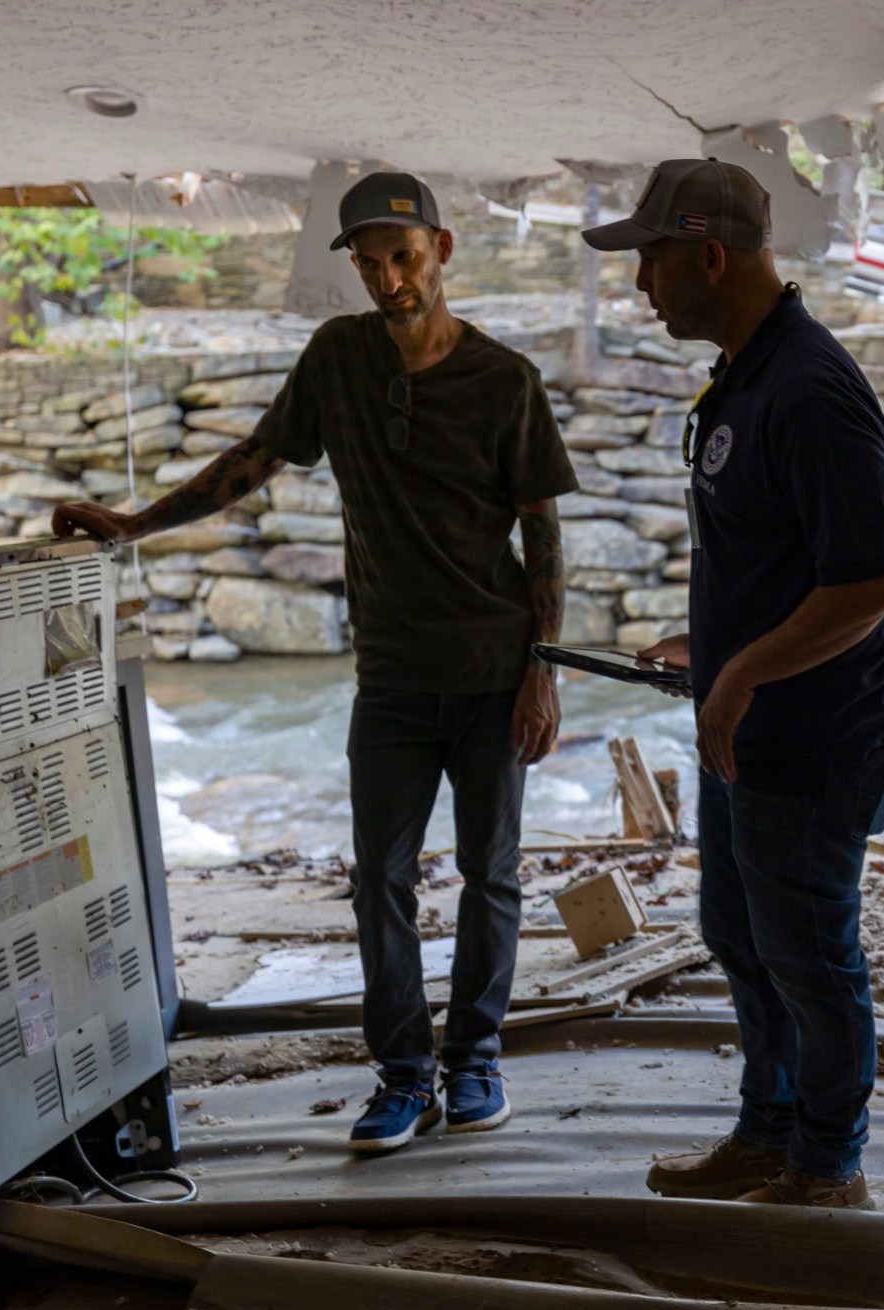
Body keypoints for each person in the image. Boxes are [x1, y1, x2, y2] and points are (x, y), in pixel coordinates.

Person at [54, 172, 577, 1153]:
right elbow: (254, 460)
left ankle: (475, 1062)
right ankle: (401, 1076)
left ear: (443, 251)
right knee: (378, 874)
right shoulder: (337, 360)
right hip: (389, 674)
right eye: (371, 262)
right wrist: (134, 526)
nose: (389, 279)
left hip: (493, 669)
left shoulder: (506, 381)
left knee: (489, 873)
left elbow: (542, 533)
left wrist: (543, 673)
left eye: (405, 257)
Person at [583, 160, 884, 1211]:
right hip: (751, 726)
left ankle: (828, 1168)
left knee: (812, 956)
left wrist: (742, 677)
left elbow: (871, 579)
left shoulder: (811, 387)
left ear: (708, 255)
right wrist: (710, 650)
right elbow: (780, 563)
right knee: (741, 939)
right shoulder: (747, 370)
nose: (641, 284)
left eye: (650, 259)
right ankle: (765, 1134)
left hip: (815, 736)